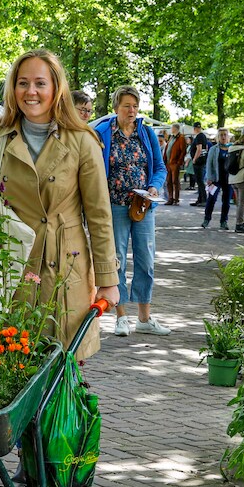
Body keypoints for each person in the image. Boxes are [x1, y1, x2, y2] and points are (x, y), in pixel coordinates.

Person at [0, 50, 120, 359]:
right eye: (23, 83)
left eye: (40, 83)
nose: (31, 91)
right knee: (8, 361)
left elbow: (99, 215)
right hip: (11, 263)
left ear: (56, 88)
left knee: (62, 362)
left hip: (64, 265)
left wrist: (107, 280)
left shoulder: (82, 140)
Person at [93, 86, 171, 337]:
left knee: (146, 261)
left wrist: (154, 186)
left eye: (135, 106)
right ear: (116, 107)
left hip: (143, 206)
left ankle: (144, 319)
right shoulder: (103, 133)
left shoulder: (145, 133)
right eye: (127, 106)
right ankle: (121, 317)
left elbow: (160, 167)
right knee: (117, 260)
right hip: (115, 205)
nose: (132, 111)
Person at [201, 127, 236, 230]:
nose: (223, 137)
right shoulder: (214, 149)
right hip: (215, 179)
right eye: (221, 135)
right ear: (218, 137)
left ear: (228, 136)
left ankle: (224, 221)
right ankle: (207, 219)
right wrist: (209, 177)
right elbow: (209, 164)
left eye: (225, 135)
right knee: (211, 199)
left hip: (228, 179)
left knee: (226, 201)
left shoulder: (232, 148)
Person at [164, 123, 188, 205]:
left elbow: (183, 151)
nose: (171, 129)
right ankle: (170, 198)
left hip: (175, 163)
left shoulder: (181, 138)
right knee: (168, 181)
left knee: (175, 181)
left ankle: (176, 199)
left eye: (172, 128)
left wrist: (179, 162)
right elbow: (167, 148)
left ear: (175, 129)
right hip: (168, 162)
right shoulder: (171, 137)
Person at [189, 122, 211, 206]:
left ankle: (203, 199)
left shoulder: (199, 136)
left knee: (200, 181)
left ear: (194, 128)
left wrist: (194, 159)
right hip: (202, 160)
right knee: (199, 181)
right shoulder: (203, 136)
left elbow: (199, 149)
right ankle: (200, 199)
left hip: (199, 162)